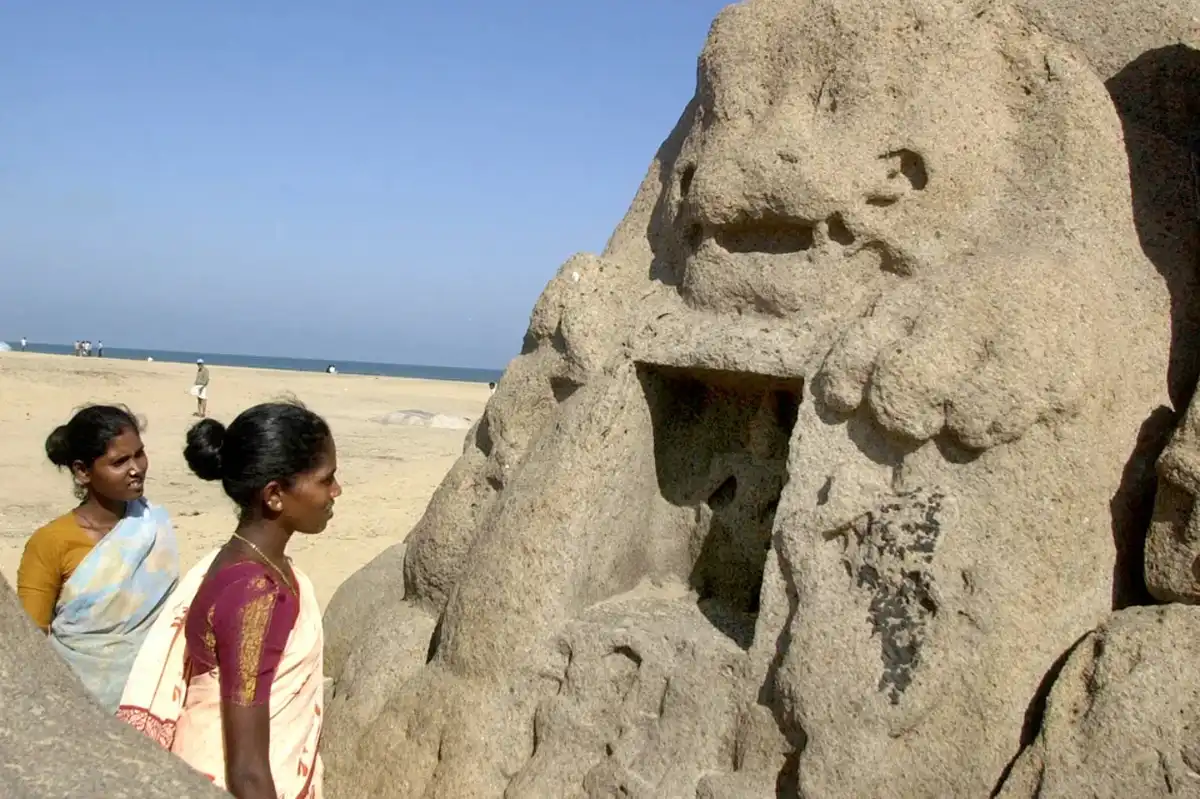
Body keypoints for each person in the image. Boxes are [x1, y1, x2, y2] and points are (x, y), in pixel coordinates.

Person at [118, 401, 338, 799]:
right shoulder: (256, 594)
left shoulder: (243, 562)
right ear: (275, 495)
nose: (336, 491)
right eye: (326, 480)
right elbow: (248, 771)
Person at [16, 405, 180, 712]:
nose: (137, 468)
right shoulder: (51, 542)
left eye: (139, 454)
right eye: (120, 461)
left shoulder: (153, 524)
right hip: (76, 704)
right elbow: (31, 638)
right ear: (82, 471)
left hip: (155, 697)